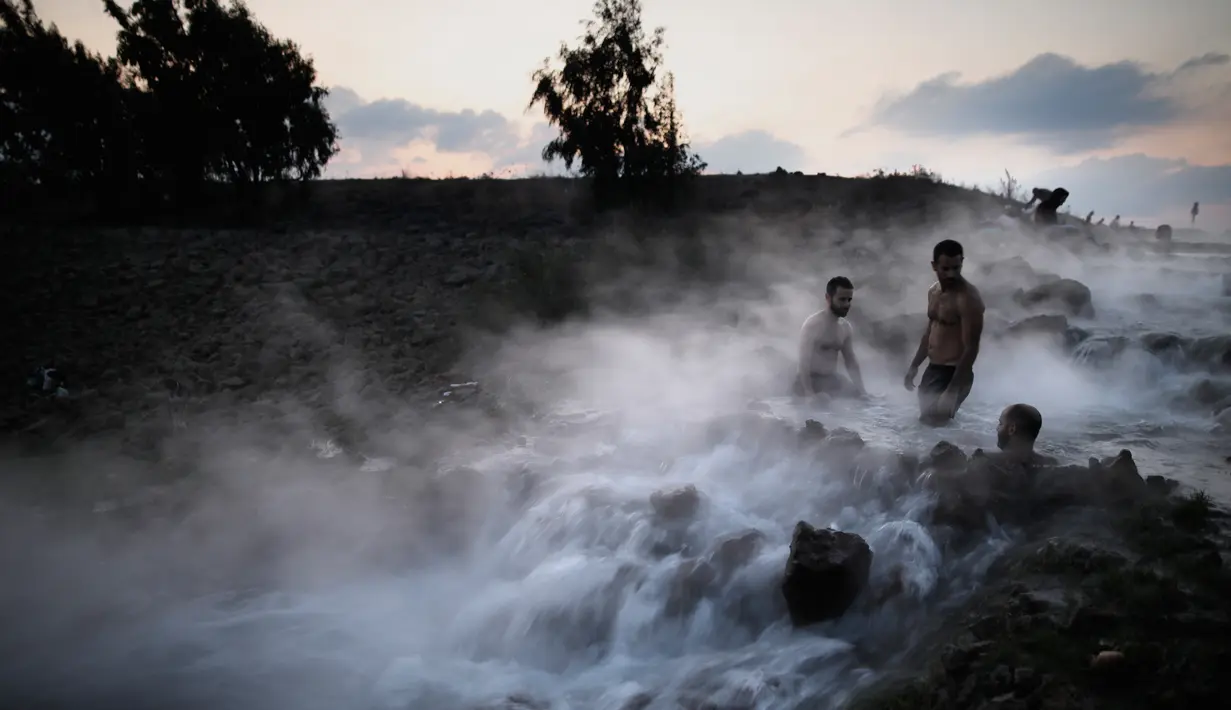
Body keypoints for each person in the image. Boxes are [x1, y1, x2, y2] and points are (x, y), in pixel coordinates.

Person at [904, 240, 985, 424]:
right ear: (934, 266)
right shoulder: (933, 292)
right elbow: (930, 332)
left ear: (962, 262)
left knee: (933, 423)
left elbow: (971, 347)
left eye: (957, 268)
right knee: (928, 424)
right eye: (945, 269)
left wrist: (952, 389)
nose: (951, 274)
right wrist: (914, 365)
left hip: (955, 372)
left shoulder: (968, 298)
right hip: (933, 369)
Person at [796, 276, 868, 399]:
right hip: (810, 381)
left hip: (831, 379)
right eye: (842, 299)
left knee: (863, 399)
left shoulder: (845, 327)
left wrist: (862, 391)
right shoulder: (813, 324)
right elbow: (804, 362)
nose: (847, 304)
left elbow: (850, 361)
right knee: (824, 401)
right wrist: (809, 394)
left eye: (849, 300)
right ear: (828, 298)